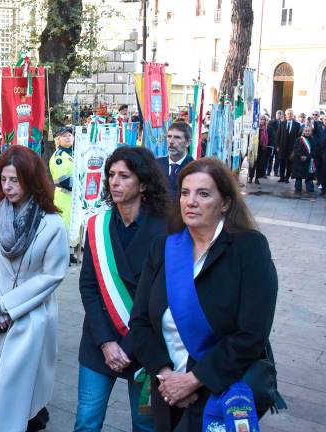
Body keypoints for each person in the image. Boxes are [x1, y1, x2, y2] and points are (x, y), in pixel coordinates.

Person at [130, 158, 280, 431]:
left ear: (224, 203)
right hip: (168, 390)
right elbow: (139, 323)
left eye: (204, 194)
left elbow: (252, 334)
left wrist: (193, 380)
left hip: (221, 390)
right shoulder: (163, 249)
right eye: (185, 193)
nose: (190, 201)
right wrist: (167, 376)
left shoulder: (249, 249)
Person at [74, 146, 171, 432]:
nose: (114, 182)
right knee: (86, 422)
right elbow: (88, 286)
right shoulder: (97, 226)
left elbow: (161, 296)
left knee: (145, 425)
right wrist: (106, 342)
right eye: (111, 175)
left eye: (124, 176)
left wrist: (127, 347)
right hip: (99, 341)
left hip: (144, 346)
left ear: (142, 183)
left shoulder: (166, 230)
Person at [0, 145, 69, 432]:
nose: (8, 186)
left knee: (16, 389)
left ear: (31, 179)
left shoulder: (52, 224)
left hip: (32, 318)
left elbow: (52, 275)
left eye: (15, 180)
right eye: (4, 179)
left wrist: (8, 305)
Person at [49, 126, 78, 264]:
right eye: (64, 135)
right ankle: (61, 256)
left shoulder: (74, 153)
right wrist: (80, 184)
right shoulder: (59, 157)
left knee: (73, 226)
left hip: (73, 197)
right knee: (64, 226)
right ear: (57, 139)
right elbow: (64, 180)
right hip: (64, 196)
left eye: (70, 135)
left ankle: (70, 253)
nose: (68, 137)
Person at [157, 122, 194, 197]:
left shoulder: (195, 168)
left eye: (177, 137)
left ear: (188, 142)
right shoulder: (156, 164)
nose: (171, 141)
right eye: (169, 136)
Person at [276, 108, 301, 183]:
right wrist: (277, 146)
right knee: (282, 162)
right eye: (288, 114)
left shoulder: (297, 125)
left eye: (291, 114)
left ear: (293, 115)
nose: (289, 115)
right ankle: (281, 177)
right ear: (285, 115)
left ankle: (287, 177)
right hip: (282, 147)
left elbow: (298, 137)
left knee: (290, 163)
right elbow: (278, 135)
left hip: (292, 148)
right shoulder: (282, 123)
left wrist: (295, 149)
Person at [291, 125, 317, 194]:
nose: (307, 132)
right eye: (306, 131)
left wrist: (307, 156)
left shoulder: (313, 140)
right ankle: (298, 188)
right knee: (298, 176)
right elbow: (295, 149)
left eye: (308, 131)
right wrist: (301, 156)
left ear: (310, 132)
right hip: (299, 161)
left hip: (308, 161)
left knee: (309, 177)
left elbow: (314, 151)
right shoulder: (299, 139)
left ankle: (310, 189)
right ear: (303, 131)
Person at [248, 115, 273, 184]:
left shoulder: (268, 128)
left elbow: (271, 138)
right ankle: (250, 177)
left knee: (260, 164)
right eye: (261, 119)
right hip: (255, 148)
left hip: (263, 148)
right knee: (252, 163)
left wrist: (268, 146)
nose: (262, 121)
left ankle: (257, 178)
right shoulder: (255, 127)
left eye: (263, 119)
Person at [266, 110, 284, 176]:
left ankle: (276, 172)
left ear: (282, 115)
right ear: (276, 115)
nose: (279, 116)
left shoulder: (283, 123)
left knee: (278, 159)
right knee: (270, 158)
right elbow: (269, 125)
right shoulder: (272, 122)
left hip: (279, 144)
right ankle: (268, 171)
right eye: (278, 114)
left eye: (280, 114)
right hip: (272, 143)